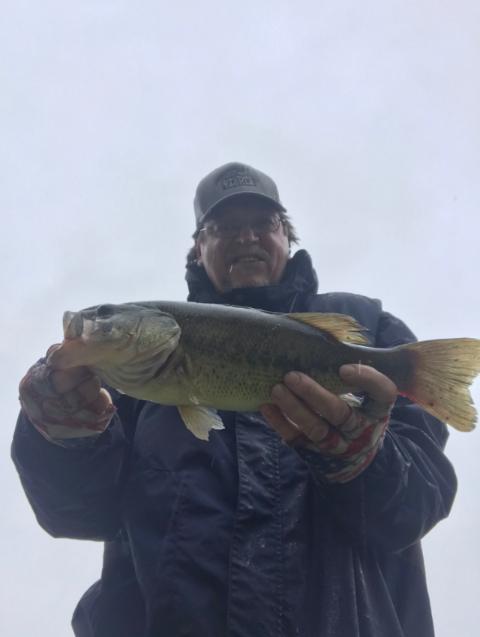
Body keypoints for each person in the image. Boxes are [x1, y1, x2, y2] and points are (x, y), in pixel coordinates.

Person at [12, 162, 457, 637]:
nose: (246, 237)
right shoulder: (124, 378)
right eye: (224, 227)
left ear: (287, 236)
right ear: (198, 247)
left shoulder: (367, 327)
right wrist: (65, 436)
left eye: (264, 223)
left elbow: (416, 504)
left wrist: (364, 460)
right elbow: (78, 513)